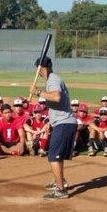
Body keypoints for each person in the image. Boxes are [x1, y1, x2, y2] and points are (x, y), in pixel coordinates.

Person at [30, 56, 78, 201]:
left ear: (40, 69)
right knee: (57, 156)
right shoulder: (53, 79)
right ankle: (60, 182)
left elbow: (56, 97)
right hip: (63, 123)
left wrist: (38, 92)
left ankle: (61, 191)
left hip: (64, 123)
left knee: (53, 156)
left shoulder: (53, 80)